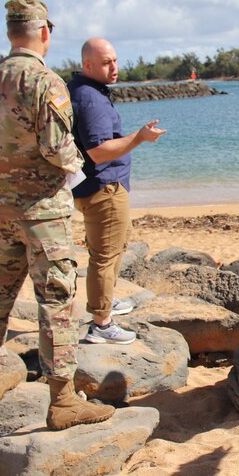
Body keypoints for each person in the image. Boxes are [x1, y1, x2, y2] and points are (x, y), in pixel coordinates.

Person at [0, 0, 114, 430]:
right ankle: (62, 401)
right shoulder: (46, 82)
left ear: (10, 33)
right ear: (45, 33)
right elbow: (59, 149)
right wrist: (76, 177)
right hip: (43, 212)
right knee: (57, 300)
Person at [69, 38, 166, 344]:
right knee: (104, 256)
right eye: (105, 63)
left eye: (114, 60)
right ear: (88, 66)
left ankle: (105, 304)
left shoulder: (89, 91)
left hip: (102, 186)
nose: (114, 68)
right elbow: (98, 151)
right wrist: (139, 137)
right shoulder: (91, 99)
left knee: (112, 250)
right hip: (103, 188)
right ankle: (101, 323)